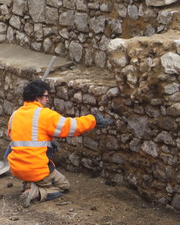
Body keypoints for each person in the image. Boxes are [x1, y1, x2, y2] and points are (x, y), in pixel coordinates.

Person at [6, 79, 114, 207]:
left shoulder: (15, 115)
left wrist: (50, 140)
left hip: (17, 168)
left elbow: (21, 136)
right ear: (38, 97)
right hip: (36, 168)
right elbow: (70, 126)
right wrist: (93, 119)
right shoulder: (44, 114)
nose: (47, 100)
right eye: (46, 96)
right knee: (63, 185)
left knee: (36, 171)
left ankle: (29, 184)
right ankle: (36, 193)